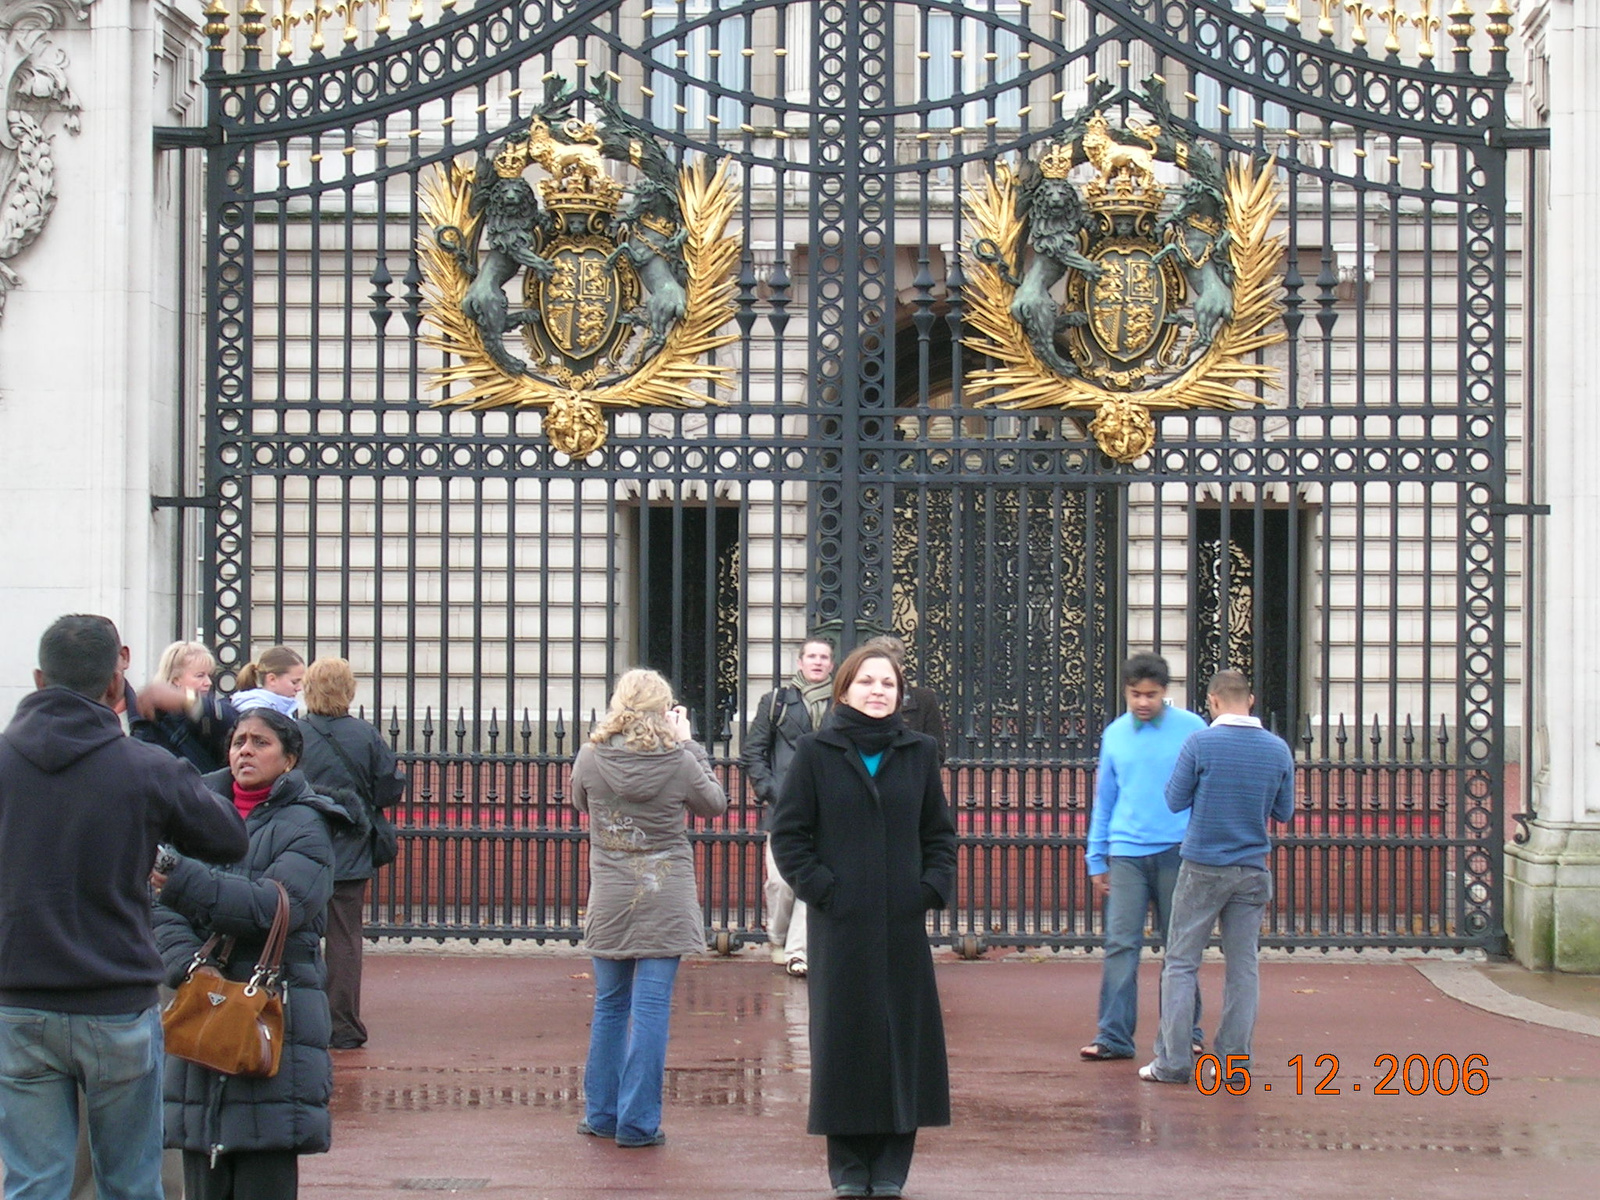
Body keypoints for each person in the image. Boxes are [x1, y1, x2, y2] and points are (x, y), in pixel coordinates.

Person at [0, 615, 249, 1200]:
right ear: (118, 683)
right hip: (115, 997)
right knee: (132, 1183)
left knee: (33, 1182)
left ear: (39, 679)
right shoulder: (145, 767)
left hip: (19, 996)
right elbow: (228, 839)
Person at [770, 646, 957, 1200]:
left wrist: (927, 890)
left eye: (889, 683)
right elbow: (790, 835)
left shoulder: (919, 752)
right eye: (868, 681)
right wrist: (825, 890)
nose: (879, 691)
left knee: (903, 1038)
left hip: (901, 924)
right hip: (841, 924)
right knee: (846, 1041)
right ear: (845, 689)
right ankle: (849, 1165)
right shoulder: (815, 751)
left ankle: (893, 1163)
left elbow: (938, 834)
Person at [153, 708, 353, 1198]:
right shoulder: (195, 813)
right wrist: (189, 965)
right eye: (238, 741)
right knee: (202, 1164)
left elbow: (274, 907)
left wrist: (184, 881)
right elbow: (157, 908)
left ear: (289, 759)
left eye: (260, 742)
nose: (245, 750)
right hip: (201, 1008)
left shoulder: (309, 825)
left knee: (264, 1163)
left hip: (272, 1010)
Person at [570, 669, 728, 1148]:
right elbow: (714, 804)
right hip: (665, 891)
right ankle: (638, 1123)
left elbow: (580, 802)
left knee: (610, 1005)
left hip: (613, 893)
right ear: (664, 711)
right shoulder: (678, 759)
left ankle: (601, 1113)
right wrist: (691, 743)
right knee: (652, 1008)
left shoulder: (591, 756)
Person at [1139, 670, 1296, 1086]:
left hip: (1203, 866)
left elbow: (1174, 800)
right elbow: (1283, 812)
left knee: (1181, 964)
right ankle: (1234, 1060)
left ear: (1211, 701)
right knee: (1243, 967)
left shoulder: (1200, 743)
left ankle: (1172, 1063)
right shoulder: (1278, 750)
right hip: (1252, 869)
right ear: (1252, 699)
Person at [1079, 652, 1207, 1063]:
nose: (1143, 702)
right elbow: (1106, 799)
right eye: (1135, 694)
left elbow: (1206, 791)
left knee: (1180, 948)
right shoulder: (1115, 734)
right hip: (1126, 854)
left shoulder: (1193, 729)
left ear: (1165, 692)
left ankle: (1186, 1033)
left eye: (1151, 694)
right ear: (1126, 691)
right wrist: (1096, 858)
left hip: (1179, 852)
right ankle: (1113, 1036)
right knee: (1120, 945)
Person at [295, 656, 407, 1050]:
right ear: (349, 689)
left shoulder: (295, 734)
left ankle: (296, 1019)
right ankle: (341, 1024)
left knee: (293, 931)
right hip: (350, 845)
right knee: (344, 938)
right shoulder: (365, 735)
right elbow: (389, 790)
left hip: (300, 846)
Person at [739, 636, 834, 976]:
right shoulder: (777, 701)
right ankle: (777, 937)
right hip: (784, 805)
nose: (818, 662)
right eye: (812, 656)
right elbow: (753, 750)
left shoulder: (842, 702)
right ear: (800, 662)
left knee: (811, 877)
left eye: (824, 657)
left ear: (831, 665)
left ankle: (798, 953)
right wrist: (769, 789)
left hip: (827, 807)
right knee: (780, 883)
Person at [132, 640, 239, 774]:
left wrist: (188, 701)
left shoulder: (212, 710)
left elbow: (232, 721)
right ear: (176, 679)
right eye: (200, 675)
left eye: (209, 675)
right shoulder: (153, 720)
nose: (208, 682)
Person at [862, 634, 946, 763]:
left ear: (901, 669)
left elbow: (937, 753)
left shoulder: (923, 699)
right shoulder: (858, 697)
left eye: (888, 668)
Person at [229, 646, 305, 716]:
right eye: (294, 682)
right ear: (272, 679)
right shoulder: (258, 713)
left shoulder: (280, 709)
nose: (299, 688)